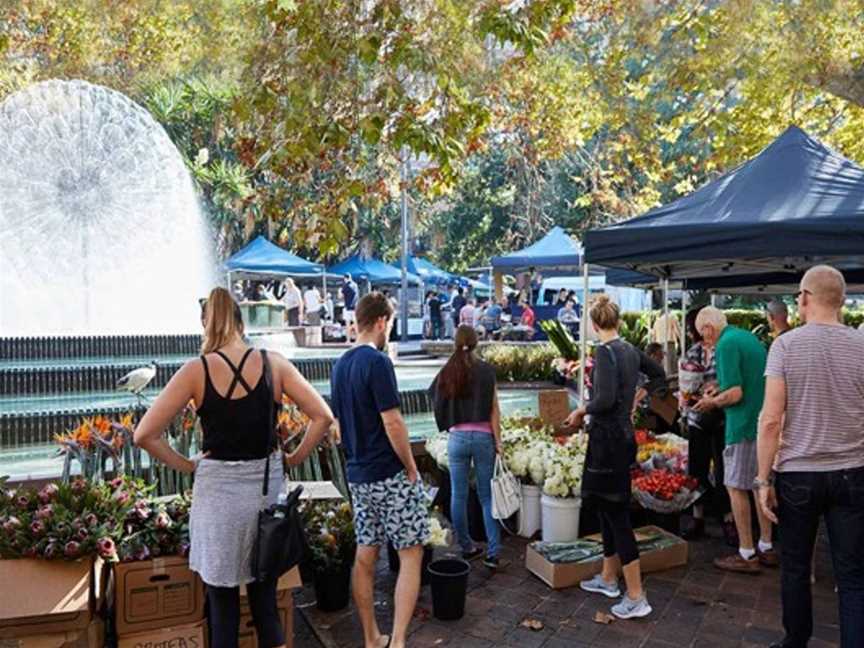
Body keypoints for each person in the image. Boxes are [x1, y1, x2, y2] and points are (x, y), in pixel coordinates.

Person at [134, 288, 333, 648]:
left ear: (205, 324)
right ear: (242, 323)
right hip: (265, 495)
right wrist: (293, 458)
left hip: (218, 500)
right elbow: (323, 416)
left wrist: (187, 465)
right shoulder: (275, 363)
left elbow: (144, 434)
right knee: (264, 602)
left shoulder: (196, 370)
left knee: (222, 606)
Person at [756, 266, 864, 648]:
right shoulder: (861, 345)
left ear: (804, 297)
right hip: (852, 472)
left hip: (798, 474)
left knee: (797, 569)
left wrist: (762, 479)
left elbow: (770, 420)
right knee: (852, 576)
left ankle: (795, 643)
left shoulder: (785, 345)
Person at [330, 293, 428, 648]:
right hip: (388, 474)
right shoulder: (378, 362)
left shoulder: (339, 365)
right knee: (411, 552)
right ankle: (399, 640)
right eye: (392, 323)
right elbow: (393, 423)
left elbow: (338, 426)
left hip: (358, 476)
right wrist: (412, 467)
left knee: (365, 556)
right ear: (382, 322)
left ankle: (372, 637)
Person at [564, 295, 664, 620]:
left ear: (594, 325)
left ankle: (636, 596)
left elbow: (604, 399)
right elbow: (660, 374)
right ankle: (608, 579)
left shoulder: (604, 352)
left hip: (607, 441)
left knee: (617, 515)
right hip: (621, 438)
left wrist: (582, 409)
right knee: (608, 508)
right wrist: (640, 394)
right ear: (616, 321)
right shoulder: (630, 350)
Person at [694, 306, 775, 573]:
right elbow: (745, 380)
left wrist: (711, 402)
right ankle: (766, 546)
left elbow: (737, 393)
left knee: (735, 487)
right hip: (760, 422)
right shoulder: (746, 337)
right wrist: (718, 387)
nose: (705, 341)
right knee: (757, 484)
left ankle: (746, 552)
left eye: (702, 335)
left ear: (708, 328)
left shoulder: (725, 345)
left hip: (741, 425)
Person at [429, 325, 502, 568]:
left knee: (458, 495)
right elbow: (494, 410)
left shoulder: (447, 371)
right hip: (483, 438)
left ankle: (467, 546)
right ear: (476, 343)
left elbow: (434, 397)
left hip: (457, 439)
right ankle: (493, 552)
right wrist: (498, 441)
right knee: (486, 496)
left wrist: (448, 423)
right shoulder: (487, 371)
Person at [679, 307, 735, 545]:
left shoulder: (726, 351)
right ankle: (698, 517)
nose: (704, 334)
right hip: (697, 418)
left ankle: (728, 518)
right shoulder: (692, 352)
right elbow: (685, 384)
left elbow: (732, 381)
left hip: (723, 416)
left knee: (725, 470)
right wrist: (687, 396)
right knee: (697, 468)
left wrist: (717, 388)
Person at [341, 274, 359, 343]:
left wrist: (339, 291)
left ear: (346, 278)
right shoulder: (355, 285)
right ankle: (357, 339)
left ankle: (348, 340)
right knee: (356, 324)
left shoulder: (346, 286)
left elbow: (341, 296)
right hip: (355, 307)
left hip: (347, 307)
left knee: (347, 324)